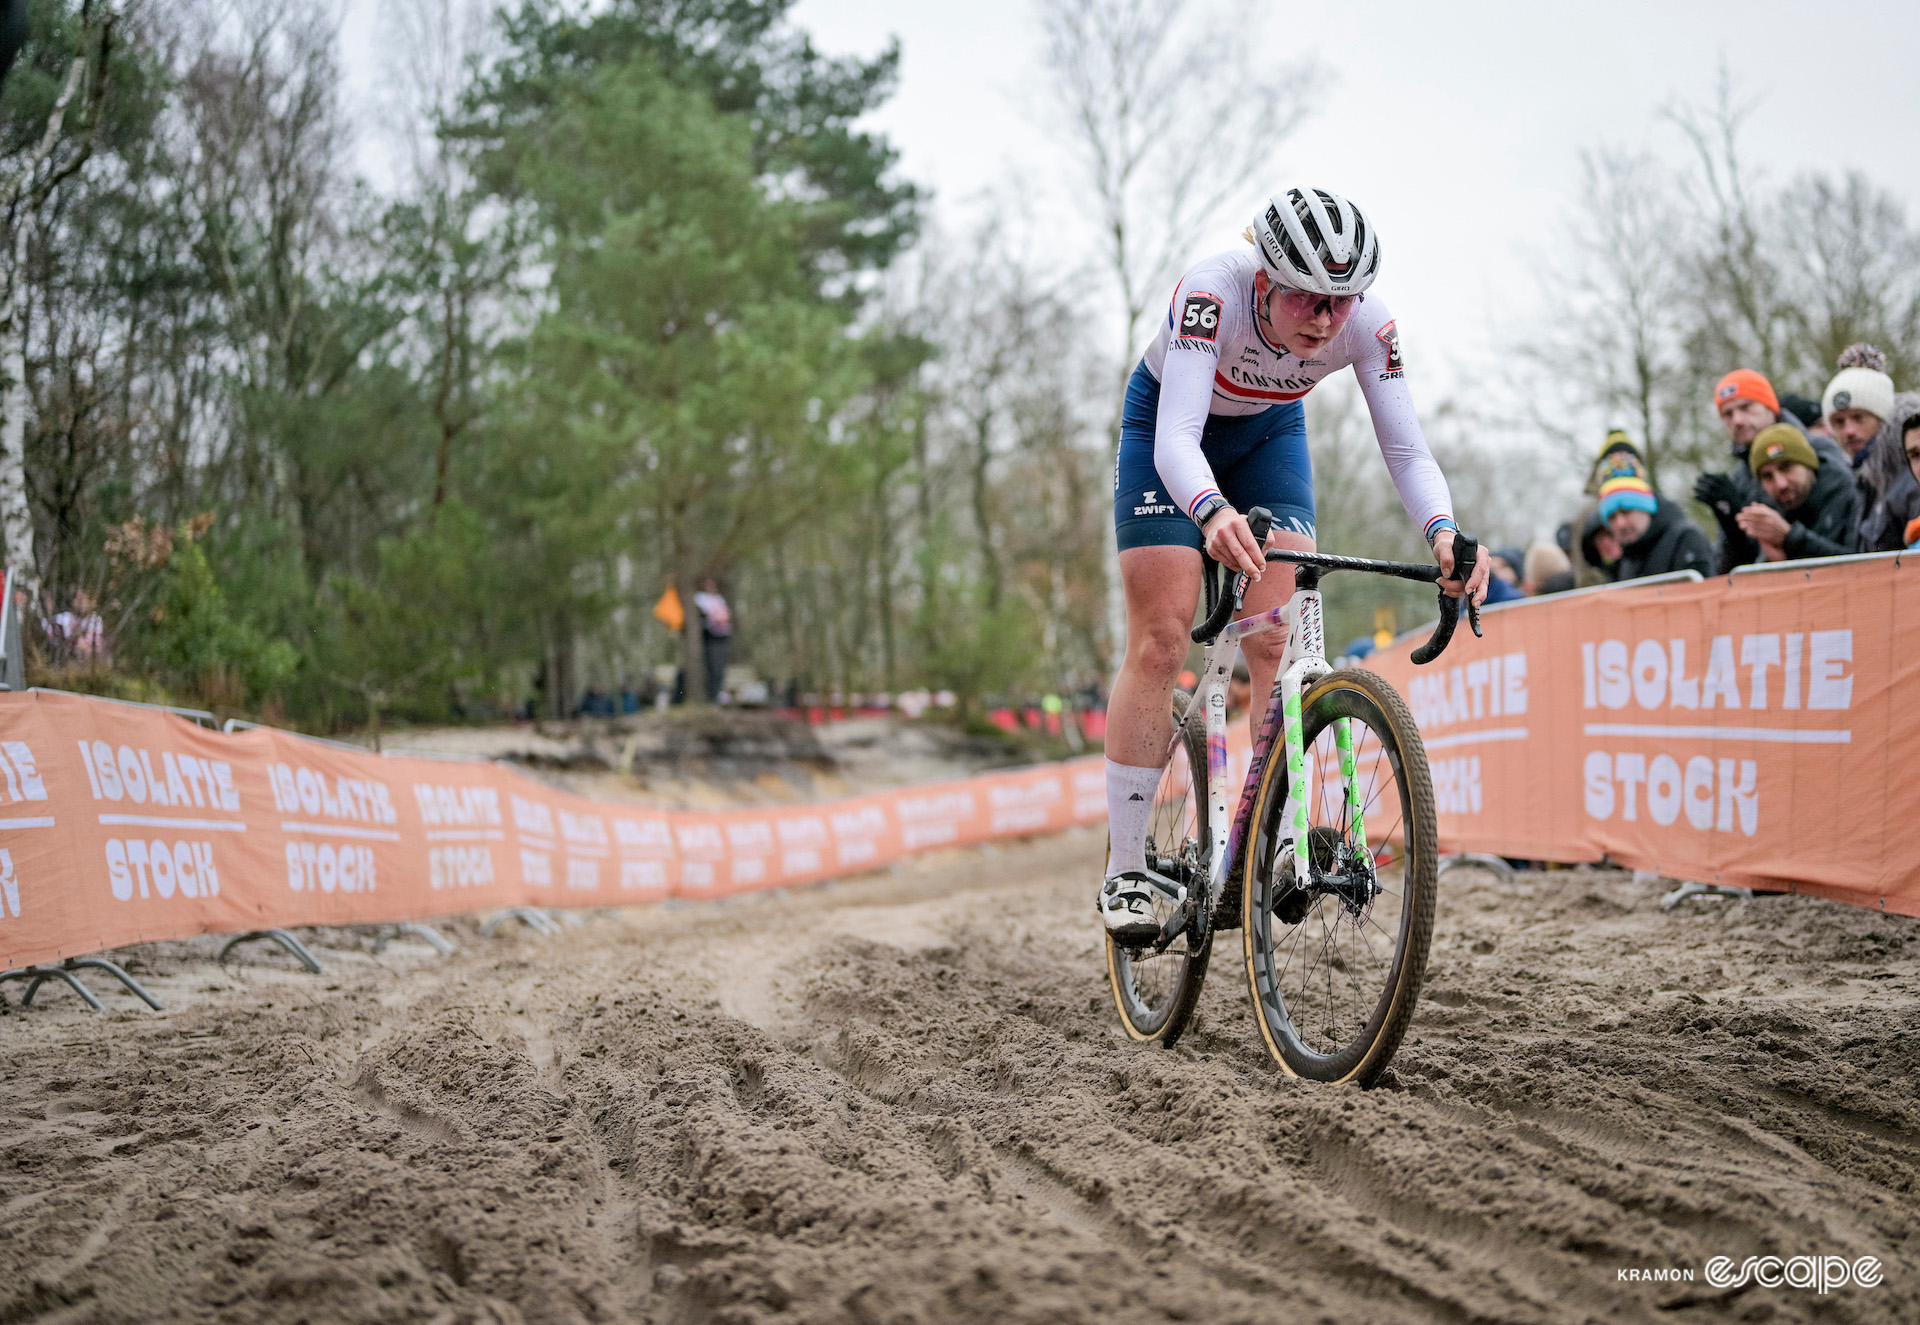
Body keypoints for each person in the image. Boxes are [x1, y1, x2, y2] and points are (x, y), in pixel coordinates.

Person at [1098, 185, 1490, 941]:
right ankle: (1125, 868)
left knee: (1278, 639)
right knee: (1160, 638)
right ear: (1266, 279)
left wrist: (1444, 533)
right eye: (1309, 299)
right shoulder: (1212, 290)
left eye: (1343, 302)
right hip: (1171, 433)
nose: (1327, 320)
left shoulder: (1367, 326)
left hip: (1270, 437)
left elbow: (1406, 449)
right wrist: (1210, 513)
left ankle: (1280, 841)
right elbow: (1177, 437)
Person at [1694, 369, 1848, 572]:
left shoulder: (1818, 451)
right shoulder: (1738, 478)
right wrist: (1733, 524)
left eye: (1746, 407)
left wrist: (1787, 536)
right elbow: (1732, 569)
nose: (1738, 420)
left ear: (1770, 407)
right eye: (1728, 414)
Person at [1738, 424, 1859, 561]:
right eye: (1767, 476)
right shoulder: (1775, 510)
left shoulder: (1849, 495)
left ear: (1809, 465)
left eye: (1786, 468)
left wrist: (1790, 538)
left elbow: (1861, 565)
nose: (1780, 484)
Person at [1600, 473, 1713, 580]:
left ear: (1646, 509)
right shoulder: (1622, 560)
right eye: (1612, 517)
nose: (1620, 523)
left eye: (1626, 512)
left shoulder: (1685, 538)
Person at [693, 578, 732, 703]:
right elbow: (708, 615)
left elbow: (724, 615)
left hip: (722, 635)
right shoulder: (699, 598)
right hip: (710, 636)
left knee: (720, 668)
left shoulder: (719, 599)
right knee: (712, 667)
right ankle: (711, 697)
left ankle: (717, 695)